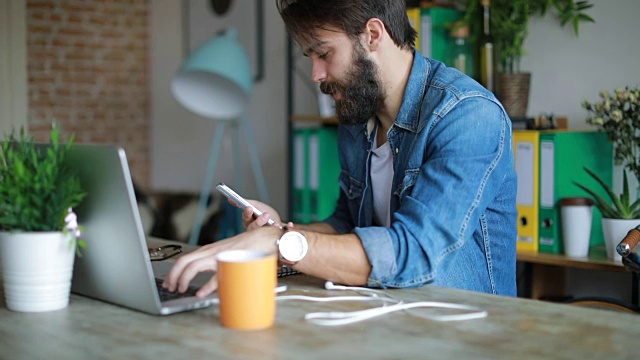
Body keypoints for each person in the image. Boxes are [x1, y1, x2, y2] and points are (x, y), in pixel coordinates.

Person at [164, 0, 517, 297]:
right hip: (384, 316)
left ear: (373, 35)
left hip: (466, 332)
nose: (316, 74)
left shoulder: (467, 115)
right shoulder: (358, 117)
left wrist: (280, 244)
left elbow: (415, 252)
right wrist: (283, 231)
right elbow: (346, 225)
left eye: (324, 53)